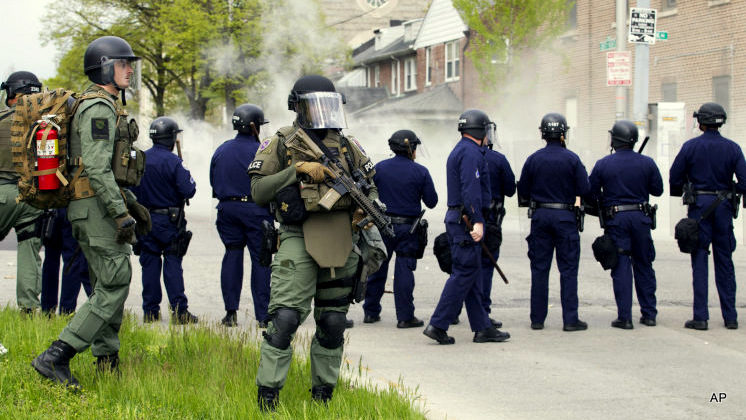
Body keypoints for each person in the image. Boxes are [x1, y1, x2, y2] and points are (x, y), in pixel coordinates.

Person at [248, 75, 378, 409]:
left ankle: (323, 397)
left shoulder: (348, 146)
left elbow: (372, 187)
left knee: (334, 322)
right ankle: (268, 398)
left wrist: (367, 210)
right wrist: (298, 170)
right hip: (297, 235)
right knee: (285, 320)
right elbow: (259, 191)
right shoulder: (281, 141)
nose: (322, 113)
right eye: (313, 105)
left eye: (328, 105)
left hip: (341, 236)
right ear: (297, 107)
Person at [32, 36, 151, 387]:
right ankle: (56, 356)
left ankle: (106, 361)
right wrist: (120, 212)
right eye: (122, 63)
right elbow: (97, 169)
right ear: (104, 67)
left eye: (130, 63)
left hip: (92, 207)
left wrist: (127, 204)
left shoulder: (107, 104)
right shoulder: (98, 107)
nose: (129, 69)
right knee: (115, 283)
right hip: (96, 208)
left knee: (104, 283)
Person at [423, 109, 510, 345]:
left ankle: (482, 327)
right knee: (464, 273)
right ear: (479, 130)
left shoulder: (463, 150)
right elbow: (470, 189)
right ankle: (438, 324)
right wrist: (478, 220)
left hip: (461, 219)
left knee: (472, 273)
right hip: (466, 221)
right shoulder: (471, 153)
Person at [669, 102, 746, 330]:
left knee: (700, 261)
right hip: (722, 208)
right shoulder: (733, 148)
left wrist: (686, 189)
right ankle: (730, 317)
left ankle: (700, 317)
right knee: (725, 262)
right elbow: (744, 182)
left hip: (698, 208)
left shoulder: (690, 147)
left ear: (700, 122)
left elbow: (674, 178)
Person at [517, 112, 590, 332]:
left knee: (540, 269)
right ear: (563, 133)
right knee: (568, 269)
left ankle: (537, 319)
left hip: (540, 217)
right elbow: (585, 189)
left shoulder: (533, 158)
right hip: (565, 217)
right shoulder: (572, 159)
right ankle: (570, 320)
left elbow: (523, 191)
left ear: (543, 133)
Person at [588, 120, 663, 329]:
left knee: (621, 265)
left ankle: (625, 317)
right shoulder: (647, 163)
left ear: (614, 139)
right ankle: (649, 314)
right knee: (644, 263)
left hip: (616, 218)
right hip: (640, 217)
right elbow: (658, 189)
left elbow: (590, 192)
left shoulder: (604, 163)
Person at [363, 129, 437, 328]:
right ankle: (405, 317)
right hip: (408, 229)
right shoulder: (420, 171)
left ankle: (370, 312)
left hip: (382, 225)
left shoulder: (380, 168)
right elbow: (432, 202)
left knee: (377, 268)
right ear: (411, 148)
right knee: (404, 270)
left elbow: (367, 194)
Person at [210, 103, 273, 328]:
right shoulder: (263, 151)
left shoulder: (222, 149)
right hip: (256, 210)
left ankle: (230, 313)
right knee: (261, 261)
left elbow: (213, 181)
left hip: (227, 209)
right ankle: (263, 315)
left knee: (232, 256)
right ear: (254, 126)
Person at [130, 117, 197, 324]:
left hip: (145, 219)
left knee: (149, 264)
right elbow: (189, 190)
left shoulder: (141, 159)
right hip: (170, 221)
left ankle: (150, 311)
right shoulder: (174, 162)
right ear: (171, 139)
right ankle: (179, 310)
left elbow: (132, 189)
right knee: (172, 263)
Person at [0, 71, 43, 313]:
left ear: (12, 93)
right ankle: (29, 309)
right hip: (33, 198)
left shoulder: (1, 120)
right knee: (29, 251)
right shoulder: (47, 123)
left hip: (1, 193)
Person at [478, 134, 515, 326]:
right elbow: (510, 189)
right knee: (486, 266)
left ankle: (454, 311)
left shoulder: (461, 155)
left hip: (466, 221)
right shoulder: (499, 159)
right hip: (491, 222)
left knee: (462, 267)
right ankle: (483, 312)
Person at [40, 208, 92, 315]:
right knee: (73, 261)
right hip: (72, 210)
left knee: (50, 260)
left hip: (51, 208)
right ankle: (66, 311)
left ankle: (47, 310)